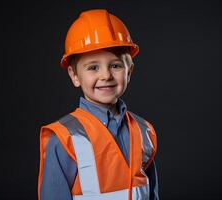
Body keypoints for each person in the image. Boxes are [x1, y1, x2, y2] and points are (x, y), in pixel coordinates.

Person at [38, 9, 159, 200]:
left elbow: (150, 193)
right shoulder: (65, 138)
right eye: (93, 67)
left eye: (116, 65)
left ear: (129, 72)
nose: (106, 76)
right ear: (74, 75)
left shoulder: (144, 132)